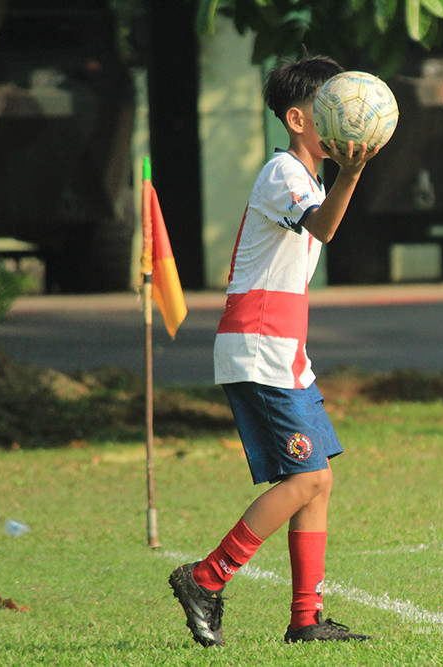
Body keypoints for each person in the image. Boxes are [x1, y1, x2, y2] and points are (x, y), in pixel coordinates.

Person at [169, 54, 380, 647]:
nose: (343, 119)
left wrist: (346, 173)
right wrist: (354, 174)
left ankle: (307, 619)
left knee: (319, 480)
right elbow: (323, 228)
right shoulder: (282, 172)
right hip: (259, 349)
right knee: (306, 478)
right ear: (296, 119)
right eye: (329, 109)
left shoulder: (310, 178)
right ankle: (205, 578)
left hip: (284, 351)